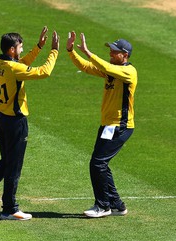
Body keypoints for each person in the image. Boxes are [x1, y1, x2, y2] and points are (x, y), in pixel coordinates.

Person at [0, 26, 59, 221]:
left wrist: (38, 47)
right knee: (13, 167)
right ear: (11, 50)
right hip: (16, 122)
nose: (21, 51)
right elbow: (44, 72)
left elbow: (21, 64)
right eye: (20, 47)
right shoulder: (13, 68)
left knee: (6, 163)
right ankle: (9, 209)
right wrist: (53, 51)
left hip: (2, 119)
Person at [66, 31, 137, 218]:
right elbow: (86, 67)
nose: (111, 54)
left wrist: (89, 52)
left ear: (125, 55)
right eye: (111, 51)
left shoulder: (129, 71)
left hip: (120, 126)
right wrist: (71, 50)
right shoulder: (110, 70)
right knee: (101, 164)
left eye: (115, 51)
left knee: (97, 164)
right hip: (108, 125)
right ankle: (117, 205)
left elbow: (103, 65)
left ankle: (102, 206)